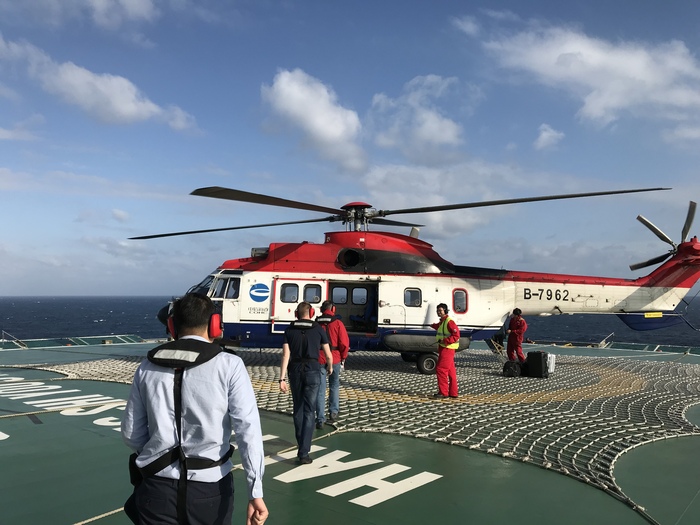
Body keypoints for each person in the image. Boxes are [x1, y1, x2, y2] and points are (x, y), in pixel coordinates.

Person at [122, 293, 268, 525]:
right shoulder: (229, 365)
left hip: (156, 487)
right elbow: (247, 430)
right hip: (209, 491)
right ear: (215, 325)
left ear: (171, 325)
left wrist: (160, 452)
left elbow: (132, 433)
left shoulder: (147, 365)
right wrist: (255, 491)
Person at [279, 302, 333, 464]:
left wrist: (281, 379)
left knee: (298, 408)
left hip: (295, 371)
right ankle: (304, 452)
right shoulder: (318, 329)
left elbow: (285, 356)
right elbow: (328, 354)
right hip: (313, 370)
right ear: (311, 312)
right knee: (310, 411)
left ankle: (300, 441)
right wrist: (329, 367)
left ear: (296, 314)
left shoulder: (289, 331)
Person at [315, 300, 350, 427]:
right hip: (335, 358)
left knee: (320, 389)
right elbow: (344, 343)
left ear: (321, 310)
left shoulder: (315, 324)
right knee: (334, 385)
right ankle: (333, 412)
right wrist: (343, 357)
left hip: (319, 358)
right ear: (333, 309)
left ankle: (320, 418)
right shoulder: (338, 323)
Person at [429, 303, 460, 399]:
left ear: (445, 311)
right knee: (451, 372)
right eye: (437, 311)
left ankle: (443, 392)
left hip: (447, 348)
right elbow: (439, 326)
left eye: (440, 311)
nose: (439, 312)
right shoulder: (443, 322)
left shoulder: (449, 322)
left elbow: (456, 335)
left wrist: (445, 341)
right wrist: (432, 325)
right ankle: (453, 393)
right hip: (444, 348)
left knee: (441, 369)